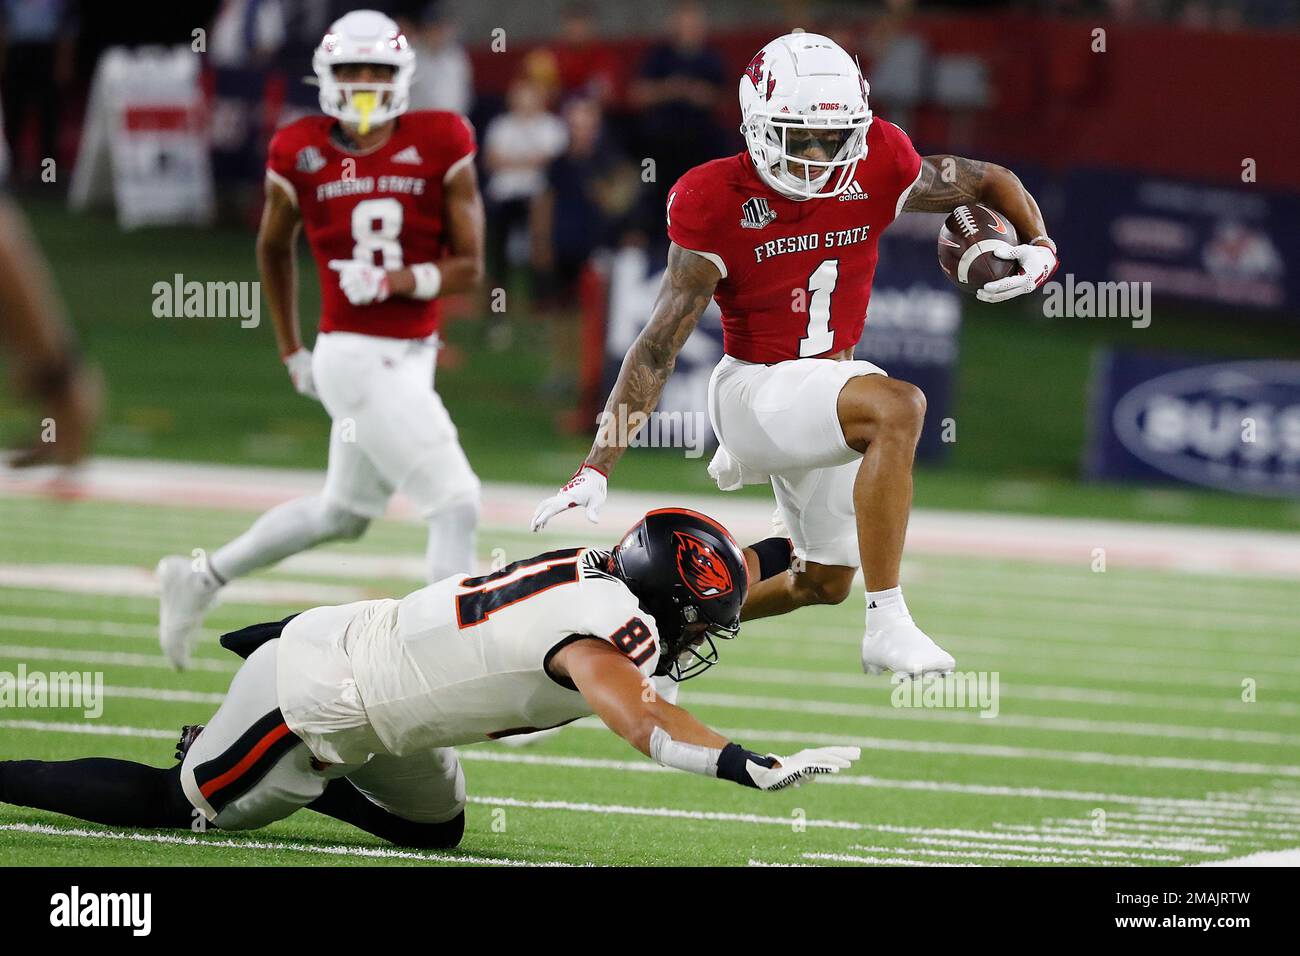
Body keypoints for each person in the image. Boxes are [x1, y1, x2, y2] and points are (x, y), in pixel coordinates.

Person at [532, 32, 1059, 679]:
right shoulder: (713, 198)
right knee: (898, 407)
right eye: (798, 136)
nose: (815, 154)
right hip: (754, 389)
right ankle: (889, 622)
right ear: (757, 125)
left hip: (824, 388)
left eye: (831, 139)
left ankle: (659, 632)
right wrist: (597, 466)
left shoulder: (881, 160)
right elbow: (657, 345)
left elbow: (988, 180)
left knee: (821, 580)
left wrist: (1040, 247)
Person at [1, 509, 860, 846]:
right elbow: (647, 723)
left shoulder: (616, 568)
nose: (704, 638)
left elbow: (741, 567)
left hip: (380, 673)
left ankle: (305, 785)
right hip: (323, 698)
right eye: (696, 625)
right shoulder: (599, 635)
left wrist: (824, 522)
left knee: (434, 832)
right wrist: (745, 762)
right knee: (181, 807)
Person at [156, 9, 485, 669]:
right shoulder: (299, 148)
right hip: (356, 359)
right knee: (456, 501)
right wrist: (289, 347)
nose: (364, 84)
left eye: (377, 70)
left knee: (344, 513)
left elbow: (470, 269)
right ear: (327, 76)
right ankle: (452, 674)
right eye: (351, 70)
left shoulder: (443, 138)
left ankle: (199, 578)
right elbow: (273, 249)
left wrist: (396, 277)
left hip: (409, 357)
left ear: (402, 76)